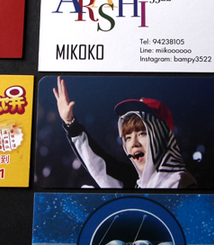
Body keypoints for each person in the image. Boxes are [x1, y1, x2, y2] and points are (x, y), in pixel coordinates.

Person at [53, 76, 197, 189]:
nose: (133, 143)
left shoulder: (181, 184)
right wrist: (70, 122)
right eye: (127, 137)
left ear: (161, 137)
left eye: (142, 133)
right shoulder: (134, 182)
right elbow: (100, 164)